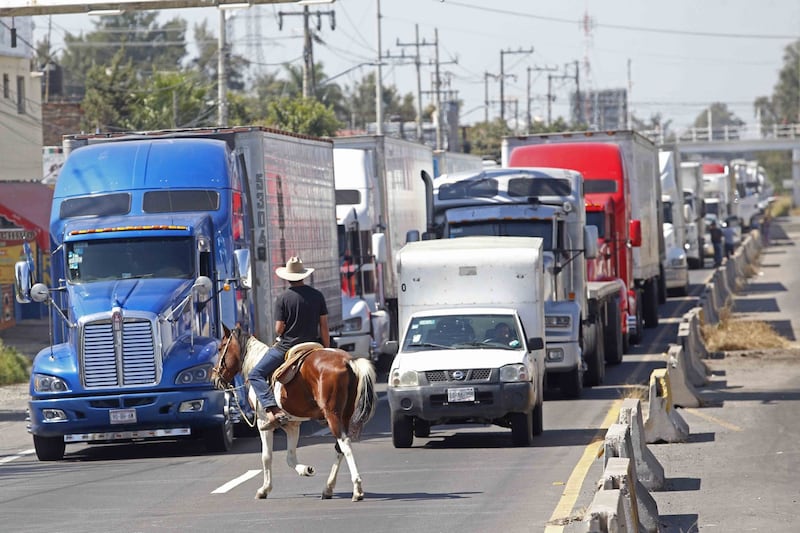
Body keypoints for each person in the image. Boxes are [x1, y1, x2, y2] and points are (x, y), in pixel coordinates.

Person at [248, 256, 330, 430]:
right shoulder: (317, 295)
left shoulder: (284, 298)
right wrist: (327, 349)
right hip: (313, 344)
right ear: (303, 275)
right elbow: (324, 326)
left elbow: (279, 329)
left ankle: (273, 410)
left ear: (287, 277)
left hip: (288, 346)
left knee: (255, 374)